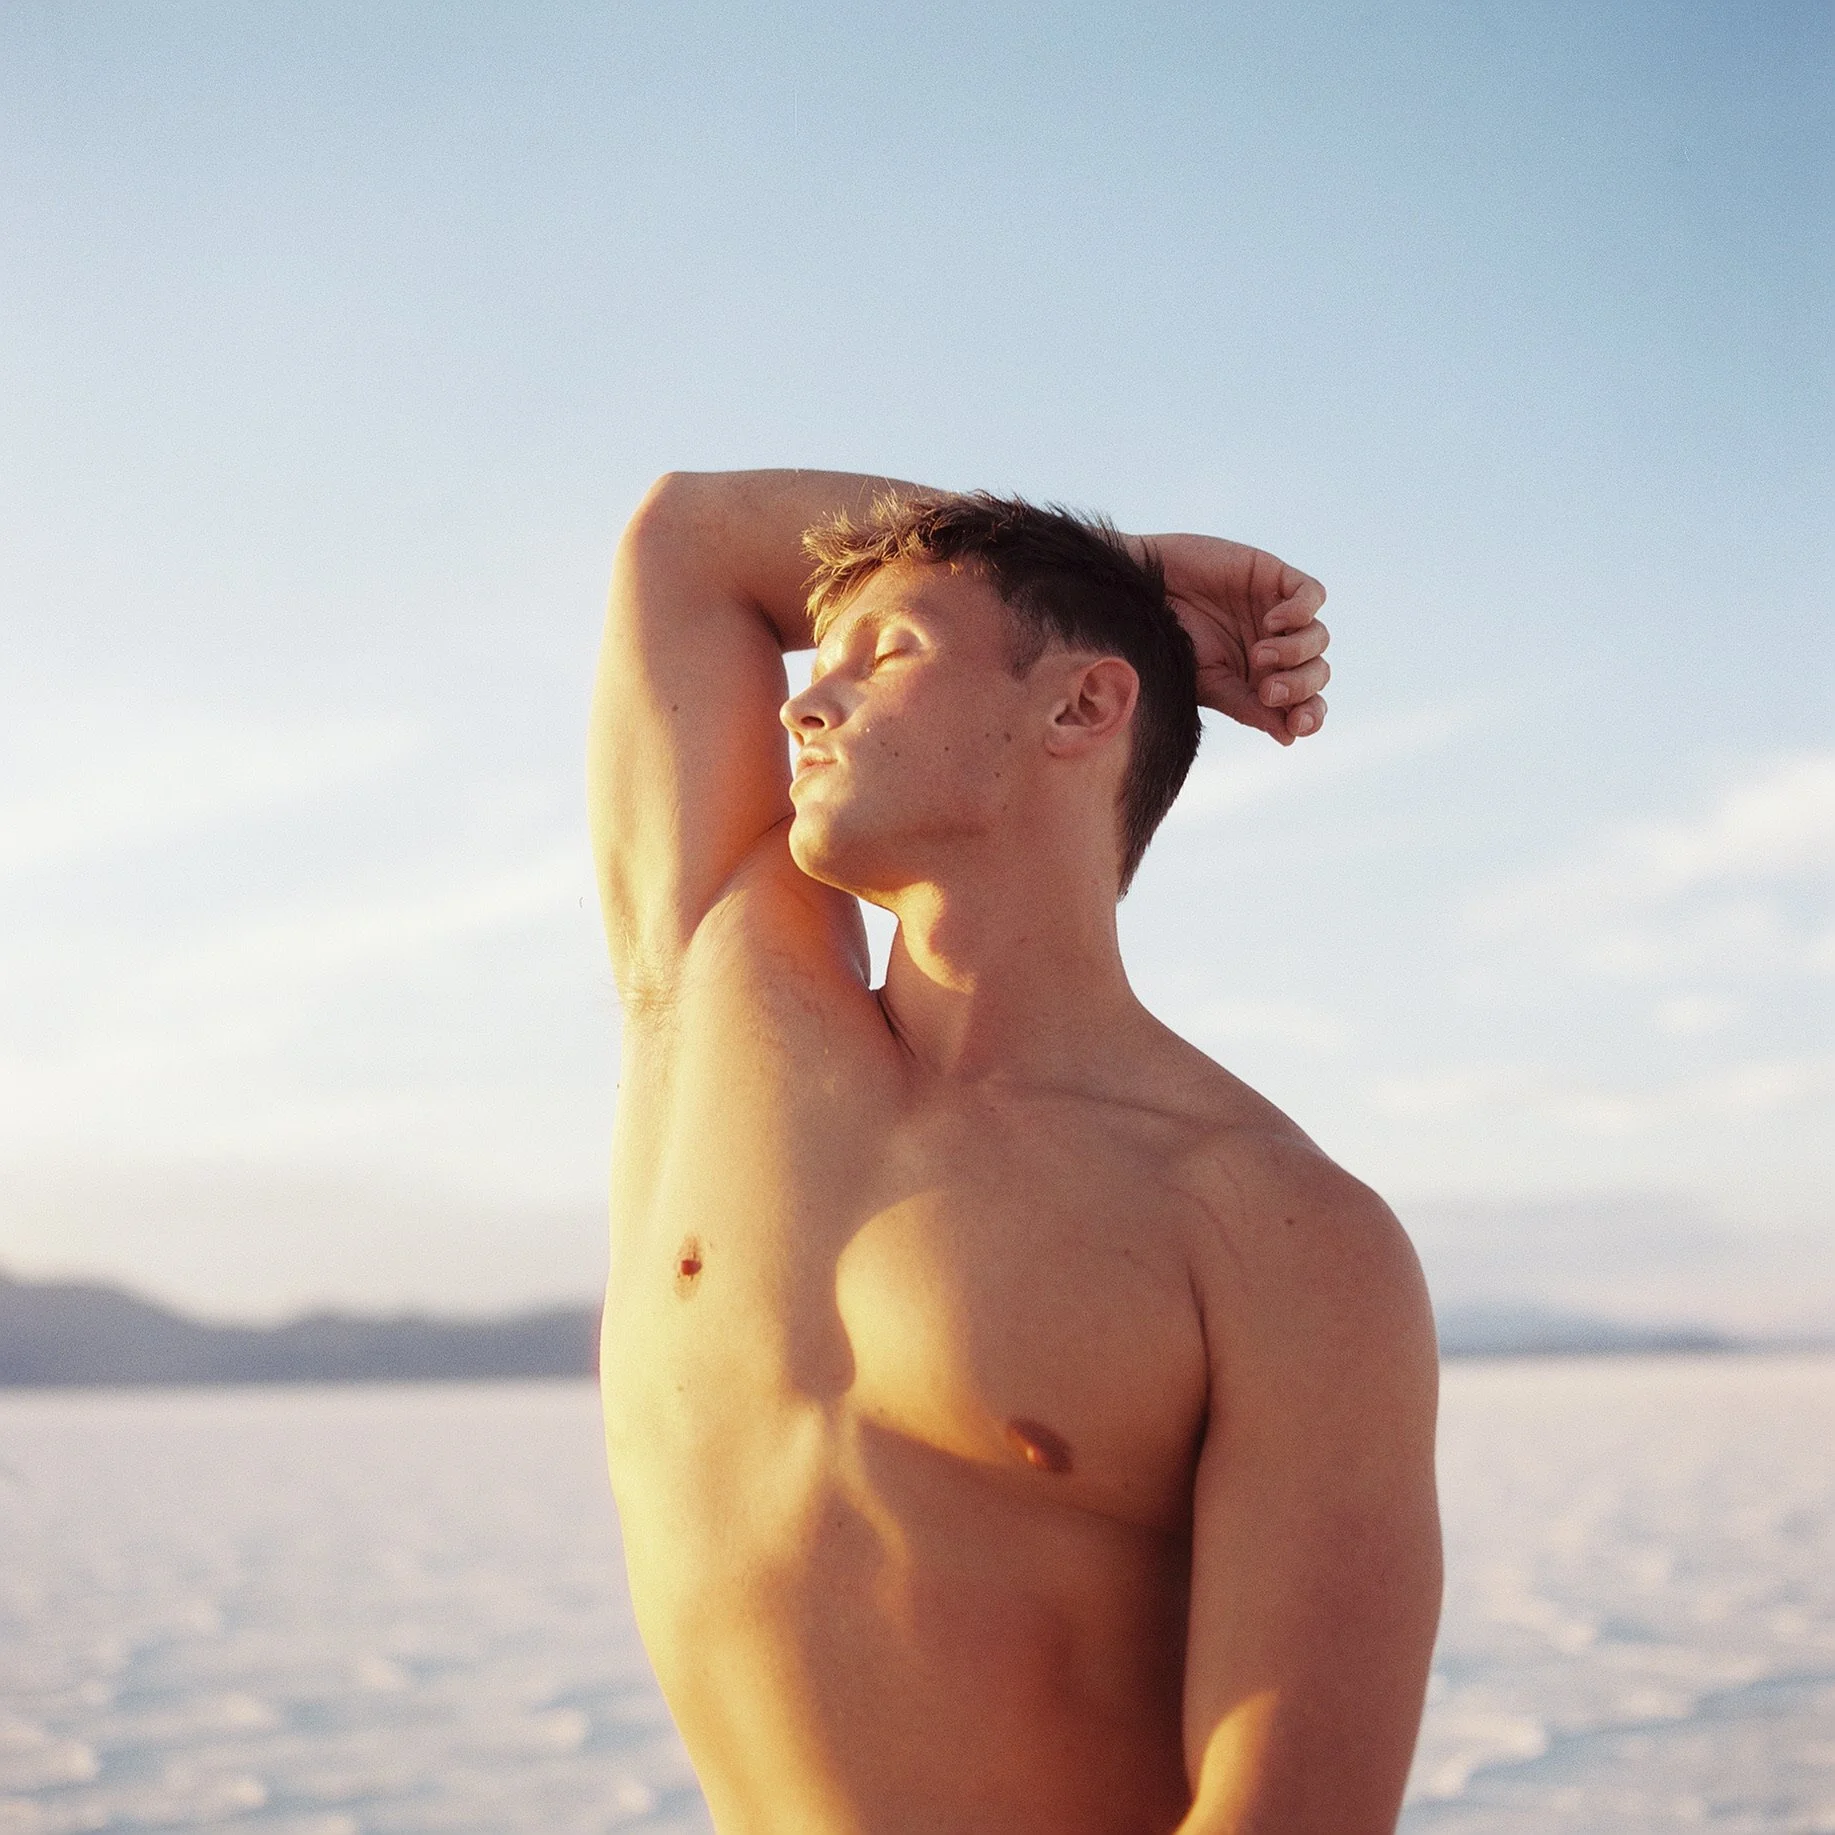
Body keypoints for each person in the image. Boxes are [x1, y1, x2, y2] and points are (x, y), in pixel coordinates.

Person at [587, 469, 1441, 1835]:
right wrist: (1135, 576)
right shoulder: (715, 1000)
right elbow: (687, 538)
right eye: (823, 656)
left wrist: (1101, 601)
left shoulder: (1272, 1228)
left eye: (890, 654)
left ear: (1080, 706)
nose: (809, 694)